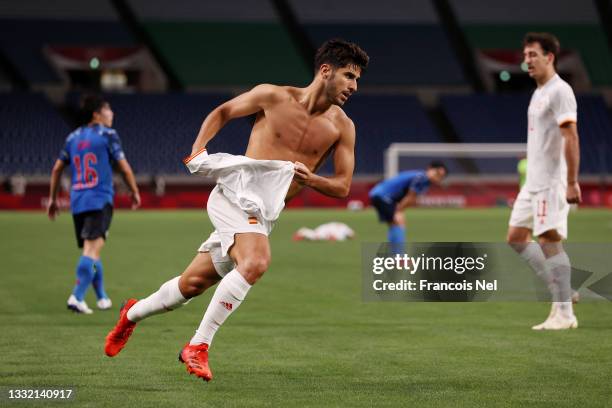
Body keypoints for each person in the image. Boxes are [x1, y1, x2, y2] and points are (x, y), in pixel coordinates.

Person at [104, 39, 369, 381]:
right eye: (349, 75)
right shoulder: (273, 96)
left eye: (357, 79)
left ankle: (130, 315)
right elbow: (223, 112)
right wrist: (198, 151)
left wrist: (312, 178)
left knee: (192, 284)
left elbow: (343, 186)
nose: (354, 86)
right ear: (325, 70)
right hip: (235, 195)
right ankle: (198, 345)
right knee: (256, 262)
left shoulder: (343, 127)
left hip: (264, 215)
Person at [506, 32, 581, 330]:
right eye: (525, 56)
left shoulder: (560, 91)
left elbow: (570, 136)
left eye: (533, 55)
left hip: (551, 182)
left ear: (550, 57)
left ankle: (564, 314)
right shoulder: (538, 92)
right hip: (533, 183)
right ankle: (563, 290)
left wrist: (572, 181)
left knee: (549, 240)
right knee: (515, 238)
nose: (528, 61)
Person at [47, 95, 141, 314]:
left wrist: (52, 199)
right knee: (91, 250)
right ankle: (76, 297)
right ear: (97, 114)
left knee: (93, 250)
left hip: (78, 201)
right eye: (108, 110)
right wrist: (134, 191)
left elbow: (56, 169)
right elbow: (124, 167)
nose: (112, 114)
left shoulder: (73, 137)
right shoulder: (108, 135)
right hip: (99, 199)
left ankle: (101, 297)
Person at [369, 162, 447, 254]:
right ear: (430, 169)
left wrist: (399, 209)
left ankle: (396, 255)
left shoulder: (422, 178)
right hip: (383, 196)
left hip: (380, 195)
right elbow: (410, 197)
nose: (437, 177)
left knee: (396, 223)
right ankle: (398, 257)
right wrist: (399, 210)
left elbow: (410, 197)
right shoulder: (422, 178)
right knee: (397, 222)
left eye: (440, 177)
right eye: (437, 173)